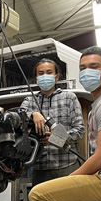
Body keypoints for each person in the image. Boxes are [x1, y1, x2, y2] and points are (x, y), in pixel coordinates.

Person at [29, 46, 101, 201]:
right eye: (83, 68)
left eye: (94, 67)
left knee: (37, 195)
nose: (87, 72)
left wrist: (70, 179)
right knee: (55, 198)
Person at [20, 58, 85, 187]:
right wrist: (33, 114)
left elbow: (80, 130)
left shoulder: (69, 98)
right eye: (41, 73)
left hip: (67, 166)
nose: (45, 76)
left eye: (49, 72)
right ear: (36, 77)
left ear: (56, 77)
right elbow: (17, 116)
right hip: (40, 169)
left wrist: (56, 139)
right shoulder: (29, 101)